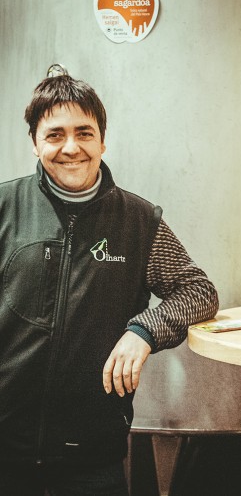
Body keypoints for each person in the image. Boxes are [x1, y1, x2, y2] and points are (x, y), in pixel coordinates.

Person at [0, 70, 219, 496]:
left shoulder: (138, 221)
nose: (71, 148)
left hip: (92, 454)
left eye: (84, 132)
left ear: (103, 140)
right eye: (54, 135)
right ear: (34, 142)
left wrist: (144, 331)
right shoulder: (5, 208)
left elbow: (198, 290)